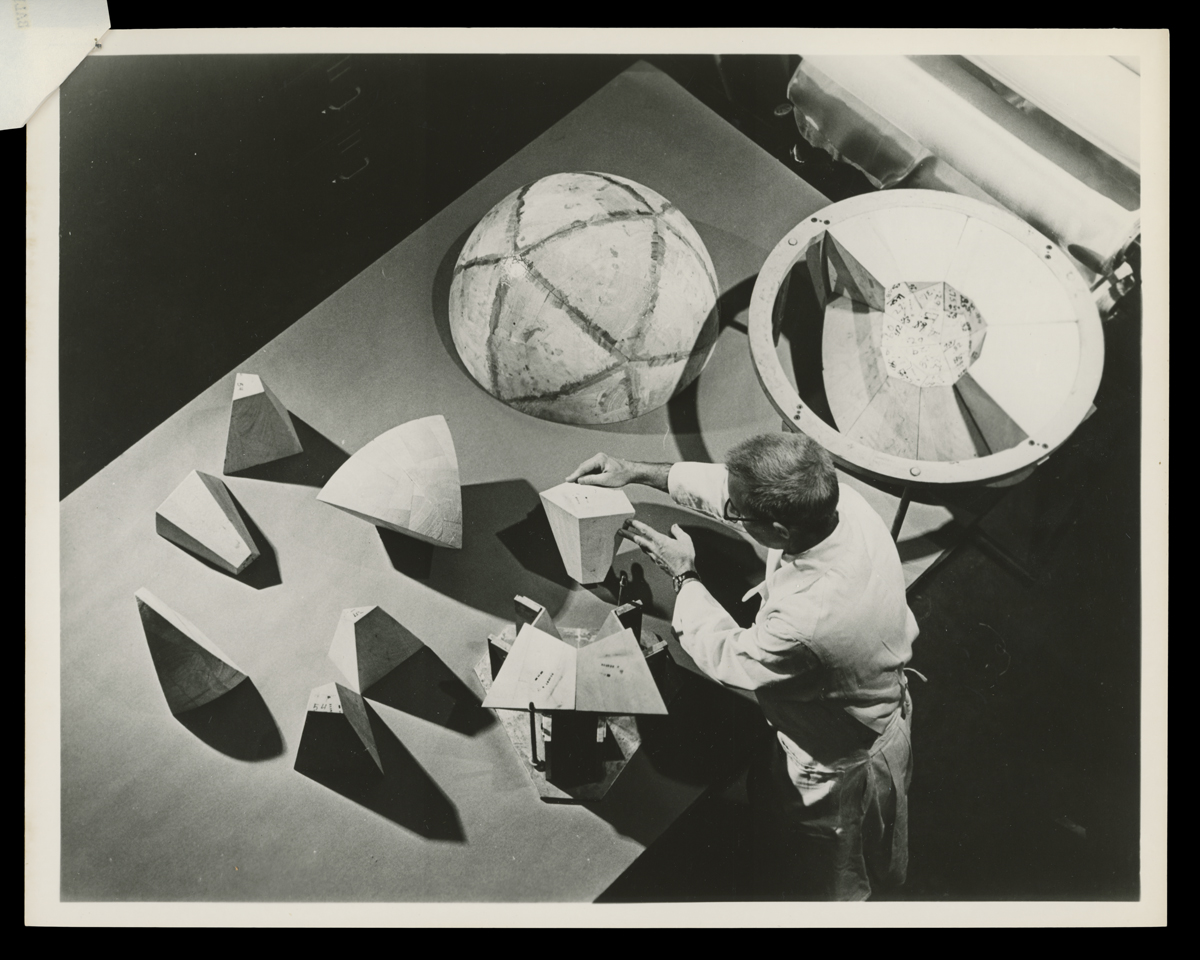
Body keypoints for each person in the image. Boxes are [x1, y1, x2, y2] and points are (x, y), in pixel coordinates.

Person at [565, 431, 918, 901]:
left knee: (826, 871)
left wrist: (684, 575)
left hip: (835, 764)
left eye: (738, 514)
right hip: (843, 710)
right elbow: (732, 493)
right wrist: (636, 471)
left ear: (781, 532)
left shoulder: (807, 620)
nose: (729, 512)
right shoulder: (840, 504)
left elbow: (728, 654)